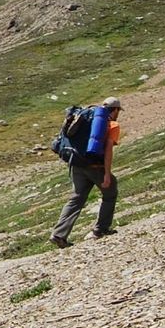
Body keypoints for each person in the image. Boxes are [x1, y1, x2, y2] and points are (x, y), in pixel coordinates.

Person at [51, 95, 122, 248]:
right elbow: (108, 150)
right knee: (110, 193)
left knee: (76, 198)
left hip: (76, 164)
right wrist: (107, 174)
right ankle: (100, 230)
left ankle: (59, 234)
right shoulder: (112, 125)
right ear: (115, 110)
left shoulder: (84, 118)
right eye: (118, 110)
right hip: (95, 167)